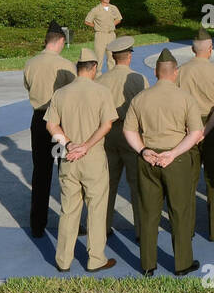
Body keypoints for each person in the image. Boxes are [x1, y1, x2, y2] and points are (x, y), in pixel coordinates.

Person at [123, 48, 204, 276]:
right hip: (176, 161)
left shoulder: (140, 98)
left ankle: (148, 265)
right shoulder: (186, 98)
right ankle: (182, 264)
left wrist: (143, 150)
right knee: (180, 211)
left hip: (148, 160)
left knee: (149, 212)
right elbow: (196, 132)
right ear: (175, 72)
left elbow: (129, 131)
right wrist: (174, 153)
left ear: (156, 72)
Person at [46, 48, 118, 273]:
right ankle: (96, 259)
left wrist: (68, 144)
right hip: (93, 157)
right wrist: (86, 146)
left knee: (68, 210)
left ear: (77, 68)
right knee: (96, 209)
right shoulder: (101, 92)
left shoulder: (60, 93)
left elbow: (51, 125)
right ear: (94, 67)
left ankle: (63, 260)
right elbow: (107, 125)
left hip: (68, 158)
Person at [177, 27, 214, 241]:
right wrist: (206, 130)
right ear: (210, 49)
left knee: (187, 182)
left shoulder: (180, 71)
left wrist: (191, 130)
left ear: (193, 49)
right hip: (212, 127)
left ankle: (186, 229)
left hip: (186, 129)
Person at [23, 20, 76, 238]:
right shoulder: (65, 65)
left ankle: (37, 224)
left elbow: (28, 86)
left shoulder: (30, 63)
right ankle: (70, 223)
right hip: (60, 124)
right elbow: (74, 94)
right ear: (61, 40)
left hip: (38, 121)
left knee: (41, 173)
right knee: (67, 174)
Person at [98, 35, 149, 243]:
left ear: (113, 57)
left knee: (107, 184)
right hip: (131, 135)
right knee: (137, 185)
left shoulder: (101, 80)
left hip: (107, 135)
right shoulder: (138, 79)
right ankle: (140, 230)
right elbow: (145, 111)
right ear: (129, 56)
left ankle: (103, 227)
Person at [85, 0, 122, 72]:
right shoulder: (96, 10)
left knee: (112, 58)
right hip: (100, 36)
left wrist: (112, 25)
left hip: (111, 35)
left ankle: (111, 77)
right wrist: (96, 26)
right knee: (99, 59)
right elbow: (87, 21)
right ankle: (98, 78)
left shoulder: (113, 8)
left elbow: (119, 19)